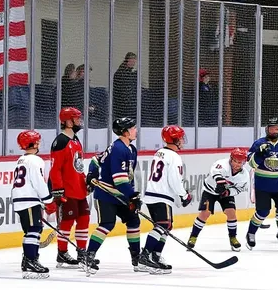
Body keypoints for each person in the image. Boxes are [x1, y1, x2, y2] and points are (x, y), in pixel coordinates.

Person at [83, 117, 141, 274]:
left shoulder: (131, 149)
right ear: (125, 132)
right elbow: (119, 180)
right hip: (106, 194)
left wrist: (92, 173)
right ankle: (89, 256)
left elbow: (96, 159)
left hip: (121, 196)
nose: (136, 130)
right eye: (133, 128)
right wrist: (132, 196)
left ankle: (137, 258)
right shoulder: (118, 148)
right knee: (107, 224)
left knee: (134, 221)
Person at [140, 125, 193, 274]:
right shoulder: (174, 157)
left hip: (151, 195)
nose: (183, 141)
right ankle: (146, 255)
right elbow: (175, 180)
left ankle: (155, 256)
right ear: (175, 139)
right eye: (181, 138)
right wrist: (184, 195)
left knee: (165, 226)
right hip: (162, 196)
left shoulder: (159, 153)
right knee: (163, 225)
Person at [245, 118, 278, 251]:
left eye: (276, 128)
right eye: (271, 128)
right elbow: (251, 164)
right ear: (267, 129)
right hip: (263, 184)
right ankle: (251, 233)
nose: (274, 131)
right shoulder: (259, 143)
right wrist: (259, 154)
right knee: (262, 212)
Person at [49, 107, 90, 268]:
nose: (79, 121)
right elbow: (55, 168)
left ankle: (82, 251)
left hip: (79, 189)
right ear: (67, 121)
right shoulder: (60, 141)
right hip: (67, 190)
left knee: (84, 219)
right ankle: (62, 252)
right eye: (76, 118)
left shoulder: (75, 140)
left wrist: (86, 182)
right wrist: (58, 190)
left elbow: (78, 166)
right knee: (67, 221)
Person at [187, 148, 249, 251]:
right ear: (231, 159)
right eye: (236, 161)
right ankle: (193, 237)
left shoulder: (244, 175)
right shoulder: (222, 164)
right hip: (209, 191)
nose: (237, 164)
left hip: (225, 193)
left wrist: (228, 192)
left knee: (231, 213)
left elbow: (239, 189)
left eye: (240, 162)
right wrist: (220, 181)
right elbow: (215, 171)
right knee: (205, 213)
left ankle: (233, 238)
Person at [11, 130, 53, 279]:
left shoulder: (21, 160)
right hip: (29, 199)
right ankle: (30, 260)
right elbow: (38, 182)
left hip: (21, 199)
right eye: (38, 141)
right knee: (34, 229)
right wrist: (48, 199)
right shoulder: (36, 160)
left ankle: (29, 259)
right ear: (34, 143)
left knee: (30, 231)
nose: (39, 144)